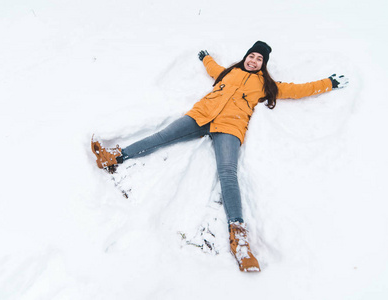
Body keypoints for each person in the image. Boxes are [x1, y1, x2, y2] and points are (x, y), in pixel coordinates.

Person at [91, 41, 349, 272]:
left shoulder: (266, 85)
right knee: (162, 137)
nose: (254, 61)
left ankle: (239, 236)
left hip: (230, 127)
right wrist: (205, 58)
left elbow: (299, 89)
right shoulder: (229, 72)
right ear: (246, 57)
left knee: (228, 173)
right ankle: (115, 156)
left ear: (263, 65)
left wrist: (328, 83)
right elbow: (213, 68)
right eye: (252, 56)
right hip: (201, 116)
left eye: (259, 59)